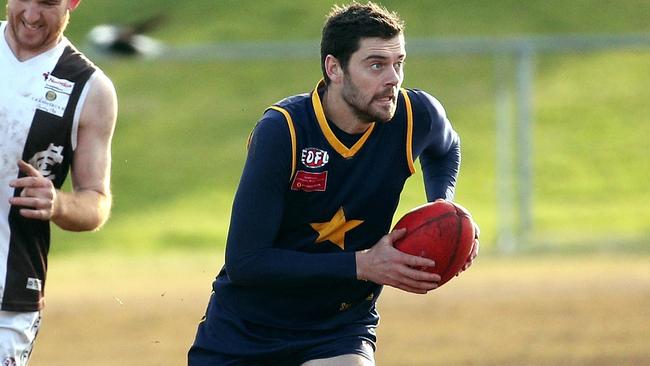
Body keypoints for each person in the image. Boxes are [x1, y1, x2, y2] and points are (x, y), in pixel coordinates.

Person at [189, 2, 478, 365]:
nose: (393, 78)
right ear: (334, 68)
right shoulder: (285, 131)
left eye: (398, 63)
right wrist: (363, 265)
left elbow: (446, 147)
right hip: (247, 329)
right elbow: (246, 261)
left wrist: (444, 208)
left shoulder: (415, 115)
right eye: (376, 65)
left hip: (339, 326)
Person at [0, 0, 117, 364]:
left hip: (9, 295)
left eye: (48, 3)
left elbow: (95, 201)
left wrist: (58, 203)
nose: (32, 16)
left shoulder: (90, 88)